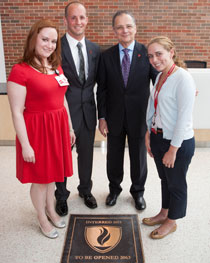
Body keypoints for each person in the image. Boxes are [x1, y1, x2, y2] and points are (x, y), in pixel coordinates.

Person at [7, 19, 75, 239]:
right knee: (40, 180)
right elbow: (17, 111)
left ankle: (52, 211)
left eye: (53, 41)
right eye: (45, 39)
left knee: (53, 176)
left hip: (57, 128)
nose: (49, 45)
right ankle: (42, 218)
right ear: (33, 38)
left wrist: (70, 128)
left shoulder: (55, 67)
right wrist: (25, 144)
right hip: (37, 131)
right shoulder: (20, 70)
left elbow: (62, 100)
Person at [97, 11, 157, 210]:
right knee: (113, 157)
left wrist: (182, 85)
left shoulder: (147, 53)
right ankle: (114, 189)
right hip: (113, 117)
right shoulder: (106, 56)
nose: (125, 30)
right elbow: (102, 90)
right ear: (114, 30)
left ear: (135, 28)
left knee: (138, 158)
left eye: (128, 26)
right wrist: (102, 116)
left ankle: (138, 192)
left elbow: (160, 80)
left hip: (139, 117)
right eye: (120, 27)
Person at [143, 36, 196, 239]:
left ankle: (172, 221)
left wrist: (173, 150)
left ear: (171, 53)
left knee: (176, 183)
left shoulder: (183, 78)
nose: (154, 60)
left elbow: (184, 118)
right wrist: (149, 132)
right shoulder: (160, 76)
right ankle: (164, 212)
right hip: (158, 137)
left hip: (177, 143)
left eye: (159, 54)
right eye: (150, 56)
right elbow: (156, 108)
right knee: (164, 180)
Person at [55, 1, 100, 215]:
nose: (78, 22)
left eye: (82, 17)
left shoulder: (94, 49)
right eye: (73, 17)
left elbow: (102, 84)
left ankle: (85, 190)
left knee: (87, 155)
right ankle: (61, 196)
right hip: (64, 114)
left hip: (89, 113)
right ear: (65, 20)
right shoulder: (55, 48)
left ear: (87, 20)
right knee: (62, 157)